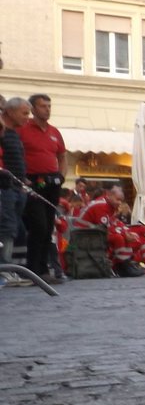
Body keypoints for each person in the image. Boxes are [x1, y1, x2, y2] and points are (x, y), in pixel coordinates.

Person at [19, 93, 67, 283]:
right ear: (32, 109)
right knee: (38, 225)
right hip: (32, 181)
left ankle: (43, 269)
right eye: (43, 106)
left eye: (49, 106)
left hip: (52, 182)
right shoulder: (23, 128)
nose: (47, 109)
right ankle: (34, 269)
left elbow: (62, 156)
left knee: (48, 226)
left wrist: (62, 175)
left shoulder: (54, 132)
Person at [79, 184, 145, 276]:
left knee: (127, 237)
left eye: (121, 200)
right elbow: (105, 228)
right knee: (118, 238)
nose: (119, 203)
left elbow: (114, 222)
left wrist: (126, 232)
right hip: (84, 234)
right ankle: (122, 266)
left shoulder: (108, 205)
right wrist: (124, 234)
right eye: (117, 199)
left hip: (93, 232)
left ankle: (125, 264)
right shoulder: (101, 206)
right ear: (109, 195)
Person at [0, 98, 30, 278]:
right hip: (5, 187)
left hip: (16, 187)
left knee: (16, 228)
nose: (28, 117)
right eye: (25, 113)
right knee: (7, 228)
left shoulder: (13, 134)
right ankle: (4, 270)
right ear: (9, 112)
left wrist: (23, 179)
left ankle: (13, 269)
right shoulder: (3, 133)